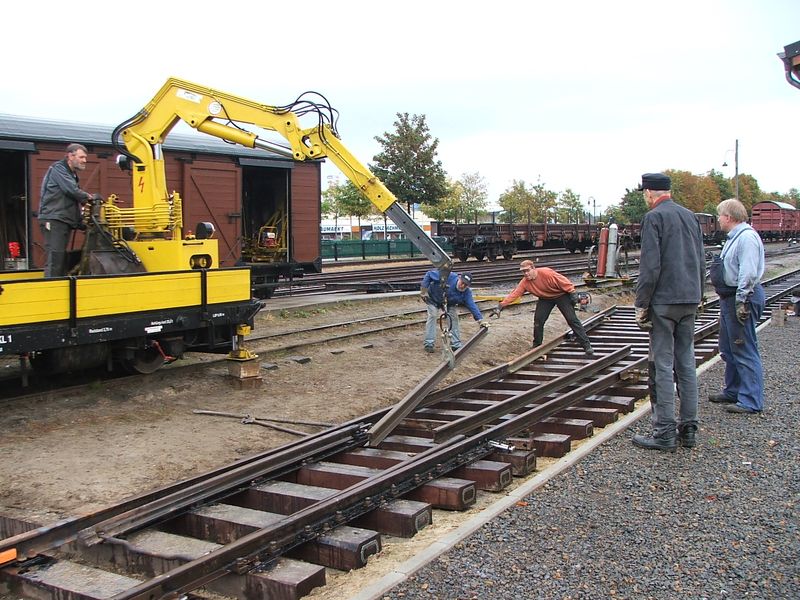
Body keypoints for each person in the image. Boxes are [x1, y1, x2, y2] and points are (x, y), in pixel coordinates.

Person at [632, 172, 705, 452]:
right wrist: (699, 294)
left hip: (664, 302)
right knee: (686, 362)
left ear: (649, 193)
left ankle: (664, 433)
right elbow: (700, 259)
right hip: (690, 298)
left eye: (644, 193)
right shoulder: (690, 216)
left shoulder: (654, 218)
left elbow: (650, 266)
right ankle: (689, 429)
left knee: (662, 364)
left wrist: (642, 303)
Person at [707, 198, 765, 414]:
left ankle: (751, 400)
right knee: (729, 348)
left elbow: (747, 273)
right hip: (730, 299)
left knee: (743, 348)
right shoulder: (735, 237)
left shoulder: (746, 238)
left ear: (728, 217)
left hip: (741, 299)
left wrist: (742, 301)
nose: (718, 220)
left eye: (720, 216)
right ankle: (733, 390)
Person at [494, 259, 594, 355]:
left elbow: (563, 281)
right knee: (538, 321)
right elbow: (515, 294)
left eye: (528, 270)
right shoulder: (525, 282)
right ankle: (537, 346)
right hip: (545, 299)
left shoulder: (546, 273)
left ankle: (586, 345)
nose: (526, 274)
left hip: (561, 295)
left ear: (533, 268)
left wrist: (572, 292)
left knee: (572, 320)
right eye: (523, 272)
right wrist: (500, 306)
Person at [38, 143, 93, 277]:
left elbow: (71, 200)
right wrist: (90, 198)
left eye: (85, 158)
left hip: (62, 219)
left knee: (60, 258)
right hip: (54, 219)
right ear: (70, 156)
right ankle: (51, 286)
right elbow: (71, 191)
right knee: (55, 257)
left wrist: (81, 223)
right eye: (81, 157)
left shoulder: (71, 174)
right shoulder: (58, 169)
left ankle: (59, 284)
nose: (84, 160)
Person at [420, 270, 488, 353]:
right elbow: (429, 274)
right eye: (462, 282)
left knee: (453, 318)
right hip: (433, 298)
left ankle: (456, 344)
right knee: (433, 315)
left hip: (449, 303)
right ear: (459, 278)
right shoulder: (447, 276)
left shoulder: (466, 293)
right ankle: (429, 343)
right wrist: (424, 290)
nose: (462, 286)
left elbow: (472, 305)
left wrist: (480, 320)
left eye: (465, 285)